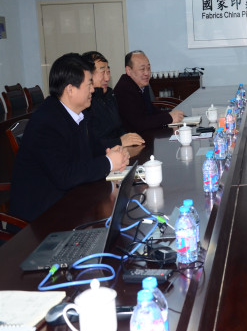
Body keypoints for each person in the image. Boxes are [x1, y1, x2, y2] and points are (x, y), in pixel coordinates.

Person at [10, 53, 129, 222]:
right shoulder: (46, 122)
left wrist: (115, 152)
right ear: (70, 89)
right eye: (89, 84)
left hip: (72, 201)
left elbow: (94, 149)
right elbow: (65, 176)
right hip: (41, 218)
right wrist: (109, 162)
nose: (92, 90)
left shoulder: (80, 114)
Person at [81, 51, 145, 155]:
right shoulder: (85, 103)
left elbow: (119, 128)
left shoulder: (110, 95)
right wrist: (120, 141)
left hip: (119, 152)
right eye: (102, 72)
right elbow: (91, 144)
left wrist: (129, 138)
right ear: (88, 75)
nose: (107, 78)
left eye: (108, 72)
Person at [114, 50, 184, 132]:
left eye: (148, 68)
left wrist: (172, 114)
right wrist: (169, 117)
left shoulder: (141, 84)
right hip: (132, 136)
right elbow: (139, 123)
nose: (147, 73)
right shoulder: (124, 90)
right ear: (129, 70)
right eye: (142, 69)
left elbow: (150, 111)